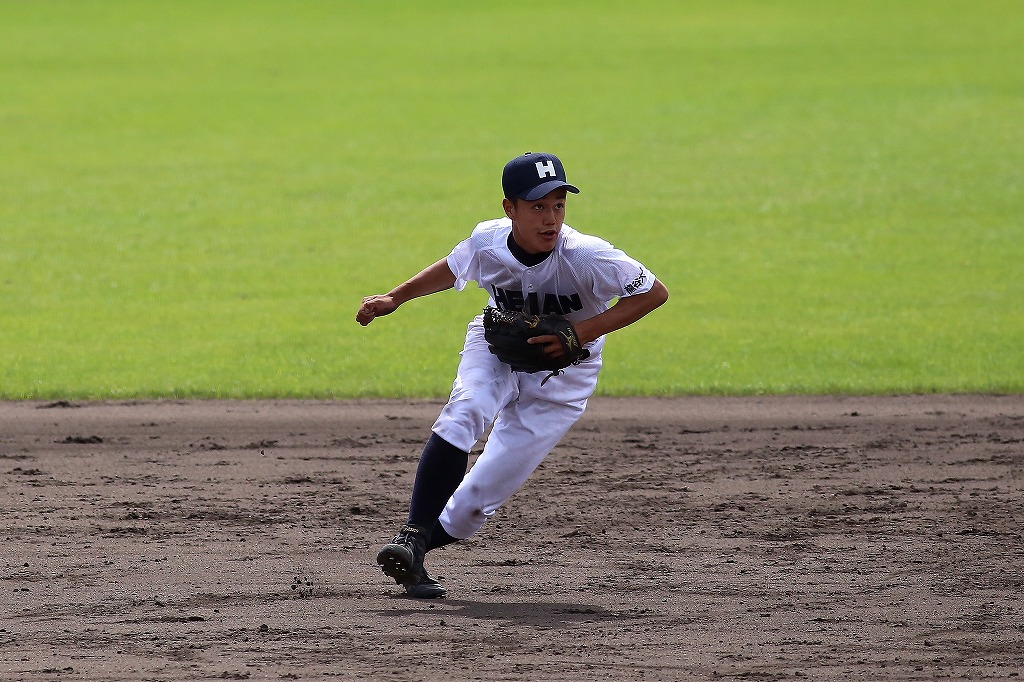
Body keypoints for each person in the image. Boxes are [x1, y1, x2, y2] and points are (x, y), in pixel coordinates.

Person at [356, 151, 669, 598]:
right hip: (497, 347)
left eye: (559, 205)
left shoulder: (586, 256)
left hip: (565, 377)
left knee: (472, 508)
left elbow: (653, 293)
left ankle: (418, 549)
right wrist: (394, 297)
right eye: (538, 206)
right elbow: (455, 266)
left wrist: (580, 332)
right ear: (510, 209)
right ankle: (410, 535)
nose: (551, 218)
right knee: (466, 410)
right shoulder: (489, 240)